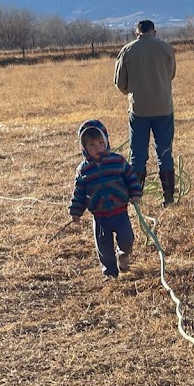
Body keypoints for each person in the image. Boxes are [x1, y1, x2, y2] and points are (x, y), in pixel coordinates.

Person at [68, 119, 144, 280]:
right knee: (103, 246)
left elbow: (131, 178)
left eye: (101, 143)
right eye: (92, 145)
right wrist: (76, 211)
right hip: (100, 217)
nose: (98, 148)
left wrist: (135, 194)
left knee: (127, 239)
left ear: (107, 142)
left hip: (120, 213)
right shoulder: (84, 170)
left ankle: (123, 254)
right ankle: (110, 273)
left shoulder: (117, 161)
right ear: (84, 148)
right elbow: (79, 192)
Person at [114, 19, 178, 205]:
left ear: (137, 33)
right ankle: (168, 198)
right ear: (154, 32)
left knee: (138, 155)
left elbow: (120, 83)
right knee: (164, 152)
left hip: (139, 110)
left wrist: (133, 92)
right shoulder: (166, 49)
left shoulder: (127, 50)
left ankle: (136, 197)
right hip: (164, 109)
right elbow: (171, 74)